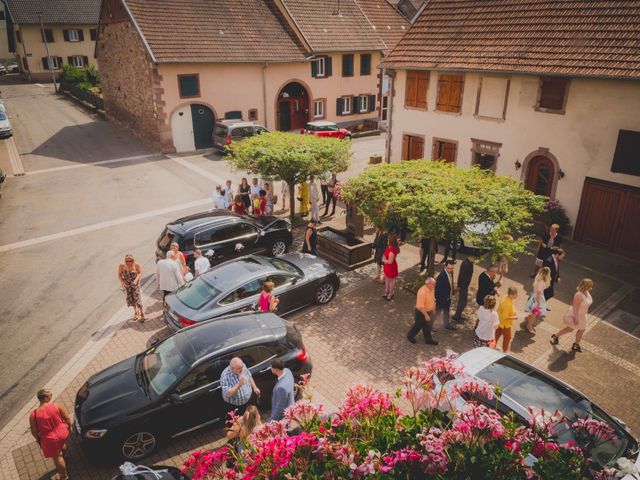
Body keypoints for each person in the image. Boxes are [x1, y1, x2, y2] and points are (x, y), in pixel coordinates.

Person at [29, 388, 72, 480]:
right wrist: (69, 427)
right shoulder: (57, 405)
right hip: (63, 432)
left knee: (57, 457)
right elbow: (67, 418)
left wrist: (38, 439)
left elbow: (34, 431)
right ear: (45, 397)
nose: (51, 396)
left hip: (50, 439)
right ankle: (66, 455)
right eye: (50, 395)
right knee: (61, 444)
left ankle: (64, 476)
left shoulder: (34, 415)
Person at [550, 278, 594, 353]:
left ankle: (574, 344)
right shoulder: (579, 295)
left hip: (582, 315)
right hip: (576, 315)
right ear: (586, 286)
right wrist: (576, 319)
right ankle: (557, 337)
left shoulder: (586, 292)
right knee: (570, 329)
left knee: (580, 329)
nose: (591, 288)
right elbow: (575, 308)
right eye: (590, 286)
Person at [407, 277, 438, 345]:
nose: (435, 285)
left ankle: (428, 340)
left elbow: (432, 300)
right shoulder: (422, 292)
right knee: (417, 326)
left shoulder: (431, 289)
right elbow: (421, 307)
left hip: (428, 311)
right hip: (421, 313)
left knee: (427, 326)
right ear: (428, 284)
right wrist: (426, 315)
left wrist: (433, 309)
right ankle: (410, 336)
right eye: (434, 284)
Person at [524, 266, 551, 334]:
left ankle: (528, 318)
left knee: (534, 312)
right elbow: (539, 292)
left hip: (535, 296)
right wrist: (538, 303)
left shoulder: (538, 278)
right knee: (535, 314)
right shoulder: (542, 282)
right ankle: (529, 326)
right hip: (537, 299)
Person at [118, 254, 144, 321]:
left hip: (135, 285)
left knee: (138, 299)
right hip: (127, 285)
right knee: (131, 300)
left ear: (133, 260)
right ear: (125, 260)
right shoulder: (122, 266)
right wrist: (122, 283)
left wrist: (135, 280)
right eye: (127, 261)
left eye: (130, 260)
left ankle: (142, 313)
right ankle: (136, 312)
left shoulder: (136, 264)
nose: (129, 262)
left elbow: (140, 273)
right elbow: (119, 275)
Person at [495, 287, 519, 352]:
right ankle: (505, 351)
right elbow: (505, 317)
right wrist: (515, 317)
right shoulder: (507, 304)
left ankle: (493, 345)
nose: (517, 296)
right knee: (507, 338)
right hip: (505, 324)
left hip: (500, 321)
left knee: (497, 333)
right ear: (511, 295)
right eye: (516, 295)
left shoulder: (505, 297)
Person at [452, 254, 474, 323]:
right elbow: (461, 275)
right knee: (463, 302)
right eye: (474, 258)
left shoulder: (470, 263)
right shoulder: (465, 264)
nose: (475, 259)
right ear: (470, 256)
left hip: (465, 285)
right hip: (463, 286)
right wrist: (459, 286)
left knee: (463, 301)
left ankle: (458, 315)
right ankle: (457, 317)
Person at [435, 260, 456, 331]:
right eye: (449, 268)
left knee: (446, 312)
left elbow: (450, 282)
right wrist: (439, 300)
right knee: (437, 313)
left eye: (452, 268)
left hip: (448, 298)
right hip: (441, 299)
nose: (451, 270)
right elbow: (437, 289)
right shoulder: (441, 276)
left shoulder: (451, 272)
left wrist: (452, 291)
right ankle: (429, 325)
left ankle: (446, 325)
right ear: (445, 266)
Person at [382, 235, 400, 301]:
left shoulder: (392, 250)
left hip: (391, 268)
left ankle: (390, 293)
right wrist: (384, 257)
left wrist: (384, 260)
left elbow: (390, 261)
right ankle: (387, 292)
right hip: (388, 267)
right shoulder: (389, 247)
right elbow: (385, 254)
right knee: (387, 280)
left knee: (391, 281)